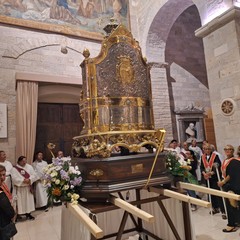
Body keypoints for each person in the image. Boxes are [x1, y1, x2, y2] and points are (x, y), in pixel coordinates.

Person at [218, 145, 240, 232]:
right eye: (226, 149)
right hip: (231, 184)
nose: (228, 151)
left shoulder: (234, 161)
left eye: (230, 149)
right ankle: (236, 221)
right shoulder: (226, 161)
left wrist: (223, 182)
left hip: (232, 186)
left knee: (231, 205)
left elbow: (231, 174)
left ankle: (232, 224)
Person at [201, 143, 226, 218]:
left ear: (211, 149)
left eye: (208, 149)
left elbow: (218, 166)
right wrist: (204, 174)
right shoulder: (203, 157)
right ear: (204, 150)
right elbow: (201, 167)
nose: (207, 150)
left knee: (218, 193)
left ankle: (223, 211)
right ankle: (214, 208)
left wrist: (211, 173)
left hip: (215, 177)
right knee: (210, 194)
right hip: (207, 178)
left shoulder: (215, 156)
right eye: (206, 149)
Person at [11, 156, 38, 221]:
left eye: (25, 161)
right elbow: (14, 178)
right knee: (20, 202)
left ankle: (28, 214)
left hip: (28, 187)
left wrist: (29, 179)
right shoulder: (14, 169)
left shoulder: (29, 167)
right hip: (20, 188)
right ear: (19, 161)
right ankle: (18, 215)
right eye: (23, 161)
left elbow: (34, 175)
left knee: (28, 202)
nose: (24, 162)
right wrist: (23, 180)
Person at [0, 165, 16, 240]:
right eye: (0, 175)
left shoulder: (3, 184)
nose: (3, 177)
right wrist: (12, 213)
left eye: (4, 174)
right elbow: (9, 211)